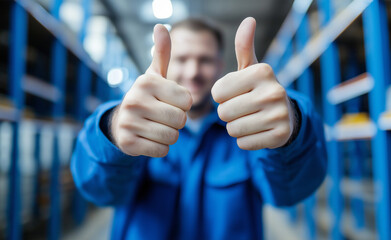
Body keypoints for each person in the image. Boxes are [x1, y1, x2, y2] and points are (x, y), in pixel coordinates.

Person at [71, 17, 327, 240]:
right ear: (167, 63)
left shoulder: (246, 127)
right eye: (181, 59)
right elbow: (101, 192)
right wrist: (111, 133)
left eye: (204, 60)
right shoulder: (137, 126)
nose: (193, 71)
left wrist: (294, 130)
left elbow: (289, 193)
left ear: (218, 65)